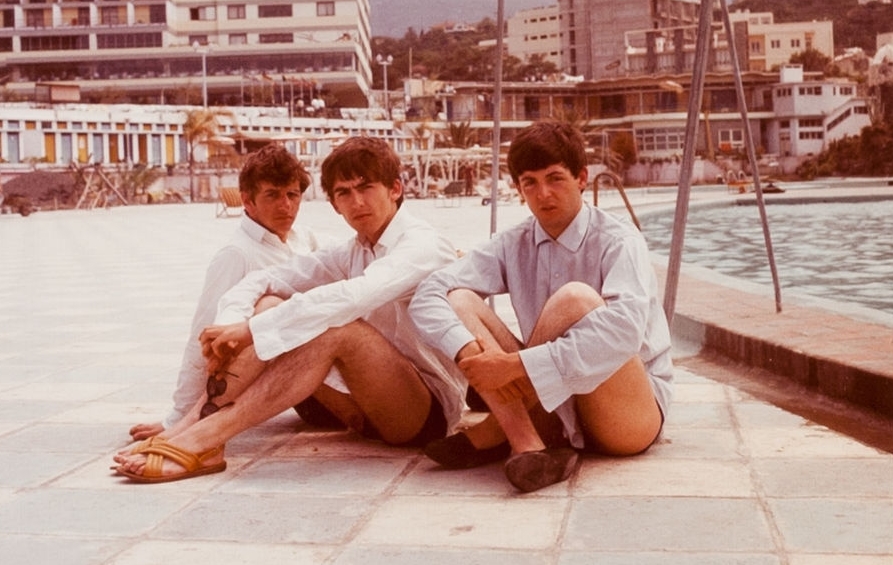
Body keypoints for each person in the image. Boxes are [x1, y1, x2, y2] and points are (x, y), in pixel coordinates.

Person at [113, 136, 465, 483]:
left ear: (395, 189)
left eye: (366, 187)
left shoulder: (420, 244)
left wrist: (249, 331)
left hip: (422, 411)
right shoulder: (353, 250)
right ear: (334, 205)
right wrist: (231, 324)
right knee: (269, 304)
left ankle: (204, 438)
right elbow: (267, 279)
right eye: (344, 193)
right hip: (360, 406)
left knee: (338, 327)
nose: (357, 201)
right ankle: (192, 427)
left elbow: (353, 297)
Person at [409, 122, 673, 493]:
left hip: (626, 416)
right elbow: (428, 293)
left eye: (555, 178)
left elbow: (625, 333)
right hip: (553, 410)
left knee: (575, 298)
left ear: (581, 178)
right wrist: (472, 355)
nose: (543, 193)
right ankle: (525, 442)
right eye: (529, 182)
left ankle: (498, 427)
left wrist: (513, 367)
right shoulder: (512, 243)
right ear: (518, 189)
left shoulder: (619, 240)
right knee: (458, 298)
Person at [127, 144, 353, 442]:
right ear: (248, 201)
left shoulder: (305, 240)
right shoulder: (237, 255)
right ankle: (200, 426)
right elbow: (204, 336)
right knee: (270, 306)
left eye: (292, 195)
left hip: (327, 374)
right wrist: (178, 417)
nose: (285, 205)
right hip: (309, 395)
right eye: (272, 195)